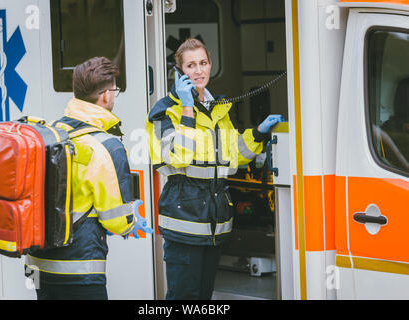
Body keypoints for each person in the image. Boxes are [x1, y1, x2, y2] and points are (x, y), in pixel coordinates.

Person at [146, 38, 284, 300]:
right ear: (179, 73)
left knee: (204, 298)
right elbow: (175, 155)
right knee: (184, 299)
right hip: (184, 224)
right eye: (190, 65)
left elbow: (233, 154)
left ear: (210, 65)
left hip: (215, 226)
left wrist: (258, 133)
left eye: (203, 63)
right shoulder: (164, 112)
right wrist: (187, 108)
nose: (198, 71)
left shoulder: (217, 109)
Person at [25, 56, 152, 300]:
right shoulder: (107, 146)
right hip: (79, 269)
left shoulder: (52, 132)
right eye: (115, 89)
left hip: (38, 265)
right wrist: (131, 220)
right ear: (105, 95)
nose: (114, 95)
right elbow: (115, 219)